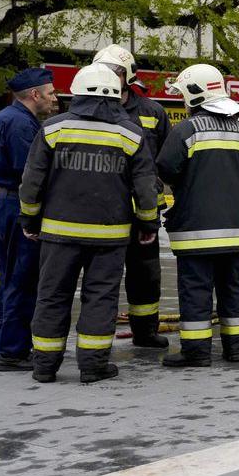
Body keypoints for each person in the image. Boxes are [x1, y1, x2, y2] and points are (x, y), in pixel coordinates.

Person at [18, 66, 159, 384]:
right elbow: (147, 189)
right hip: (110, 237)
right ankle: (93, 366)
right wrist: (149, 223)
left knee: (52, 296)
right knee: (101, 298)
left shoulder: (53, 129)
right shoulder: (130, 134)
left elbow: (31, 183)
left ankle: (44, 366)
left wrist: (29, 218)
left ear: (78, 93)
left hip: (58, 234)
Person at [157, 63, 239, 367]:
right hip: (234, 231)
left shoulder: (186, 131)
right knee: (233, 290)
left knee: (196, 292)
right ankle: (235, 350)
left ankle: (197, 353)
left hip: (195, 231)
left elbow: (165, 168)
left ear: (194, 94)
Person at [91, 45, 172, 350]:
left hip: (145, 213)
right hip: (105, 208)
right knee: (103, 277)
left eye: (116, 71)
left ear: (128, 75)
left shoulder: (153, 112)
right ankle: (97, 336)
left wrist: (153, 188)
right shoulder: (91, 111)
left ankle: (145, 332)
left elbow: (166, 160)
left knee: (146, 276)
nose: (109, 76)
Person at [0, 68, 58, 371]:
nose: (55, 98)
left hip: (5, 203)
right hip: (17, 206)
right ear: (35, 94)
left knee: (10, 278)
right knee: (22, 280)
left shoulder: (6, 117)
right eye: (51, 93)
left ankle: (5, 343)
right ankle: (13, 351)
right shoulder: (20, 125)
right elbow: (31, 174)